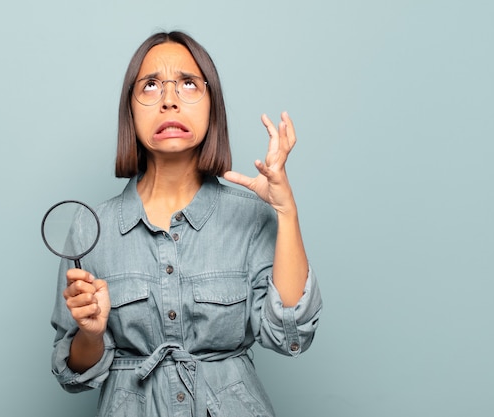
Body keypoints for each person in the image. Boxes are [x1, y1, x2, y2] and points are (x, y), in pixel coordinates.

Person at [50, 30, 322, 417]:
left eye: (188, 84)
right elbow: (71, 374)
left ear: (213, 105)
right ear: (130, 109)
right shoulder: (91, 228)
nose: (169, 101)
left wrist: (286, 211)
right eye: (151, 86)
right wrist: (91, 334)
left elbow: (290, 336)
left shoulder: (251, 215)